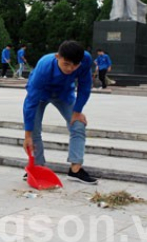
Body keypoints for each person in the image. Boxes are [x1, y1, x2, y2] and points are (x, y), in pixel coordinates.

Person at [23, 40, 98, 185]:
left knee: (78, 125)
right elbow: (30, 103)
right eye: (66, 64)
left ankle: (75, 170)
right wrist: (27, 135)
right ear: (58, 57)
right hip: (40, 94)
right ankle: (38, 167)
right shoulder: (44, 67)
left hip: (64, 94)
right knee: (34, 132)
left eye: (75, 65)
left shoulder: (85, 59)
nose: (71, 69)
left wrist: (77, 111)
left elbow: (85, 86)